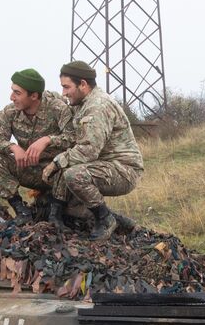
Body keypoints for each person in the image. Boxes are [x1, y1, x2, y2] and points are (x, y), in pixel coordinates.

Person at [44, 60, 143, 239]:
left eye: (67, 87)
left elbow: (88, 151)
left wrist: (56, 163)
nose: (64, 93)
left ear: (83, 84)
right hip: (105, 165)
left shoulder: (98, 106)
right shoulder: (83, 102)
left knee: (73, 174)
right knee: (73, 202)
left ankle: (105, 219)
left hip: (124, 170)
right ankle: (118, 220)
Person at [0, 68, 75, 217]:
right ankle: (20, 209)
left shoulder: (58, 108)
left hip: (55, 172)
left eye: (17, 93)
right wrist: (12, 147)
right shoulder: (10, 112)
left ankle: (56, 213)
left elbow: (74, 138)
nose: (12, 97)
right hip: (27, 168)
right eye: (12, 91)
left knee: (71, 162)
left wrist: (48, 140)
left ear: (34, 96)